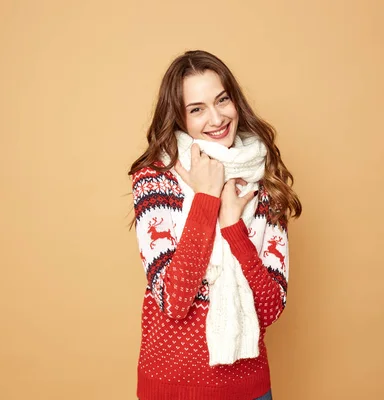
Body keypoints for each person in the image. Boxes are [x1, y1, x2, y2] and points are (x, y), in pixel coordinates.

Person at [128, 50, 301, 400]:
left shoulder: (262, 181)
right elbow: (174, 301)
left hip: (248, 388)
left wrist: (233, 226)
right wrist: (206, 199)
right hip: (172, 388)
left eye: (222, 100)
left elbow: (269, 309)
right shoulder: (154, 180)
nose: (216, 117)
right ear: (178, 118)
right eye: (197, 109)